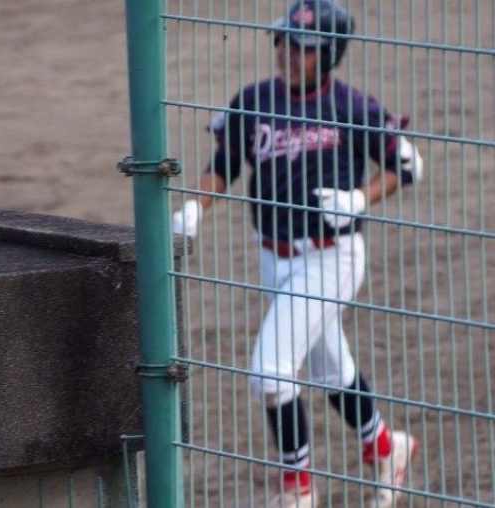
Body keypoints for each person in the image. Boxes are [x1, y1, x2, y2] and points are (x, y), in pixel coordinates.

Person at [172, 1, 424, 507]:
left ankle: (298, 490)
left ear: (328, 54)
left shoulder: (352, 107)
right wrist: (196, 206)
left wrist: (360, 198)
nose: (289, 53)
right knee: (332, 371)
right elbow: (224, 165)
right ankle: (386, 446)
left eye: (303, 47)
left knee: (270, 371)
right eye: (285, 41)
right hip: (274, 259)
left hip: (332, 259)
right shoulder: (254, 101)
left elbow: (409, 165)